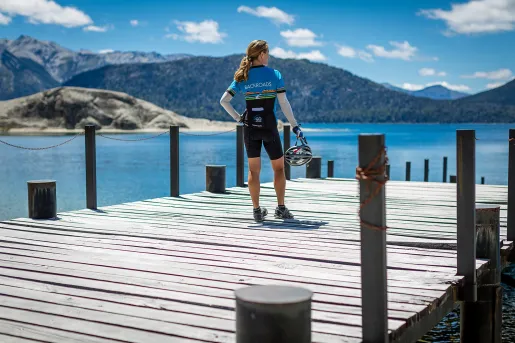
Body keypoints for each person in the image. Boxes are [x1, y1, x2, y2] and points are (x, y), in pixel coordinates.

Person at [220, 39, 305, 222]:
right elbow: (283, 103)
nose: (269, 56)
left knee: (253, 171)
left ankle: (257, 211)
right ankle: (281, 208)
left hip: (250, 127)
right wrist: (295, 125)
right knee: (279, 168)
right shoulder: (275, 74)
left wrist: (238, 118)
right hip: (269, 127)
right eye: (268, 53)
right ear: (262, 54)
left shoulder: (243, 76)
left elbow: (224, 101)